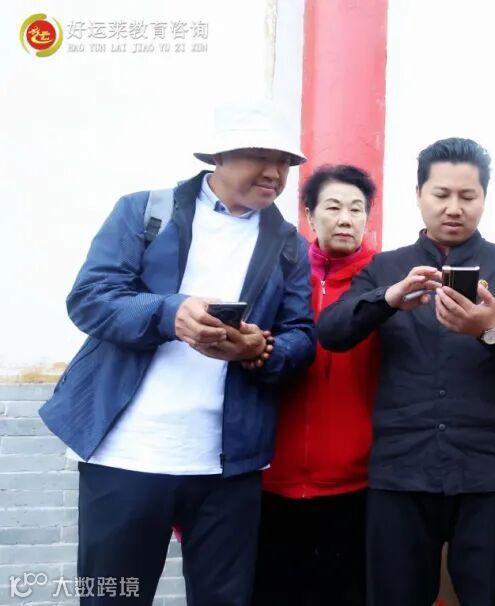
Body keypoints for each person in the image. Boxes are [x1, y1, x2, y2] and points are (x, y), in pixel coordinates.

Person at [39, 101, 315, 605]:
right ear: (219, 156)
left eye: (285, 162)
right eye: (260, 156)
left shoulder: (289, 244)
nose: (275, 173)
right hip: (125, 453)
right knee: (111, 596)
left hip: (228, 466)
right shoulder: (144, 211)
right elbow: (90, 299)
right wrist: (170, 314)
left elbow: (300, 336)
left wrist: (260, 348)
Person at [316, 137, 495, 606]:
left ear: (484, 199)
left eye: (467, 196)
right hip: (400, 472)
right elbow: (331, 332)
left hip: (487, 473)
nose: (454, 208)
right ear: (418, 195)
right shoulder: (386, 268)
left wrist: (491, 329)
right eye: (441, 194)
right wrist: (387, 300)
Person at [253, 165, 379, 605]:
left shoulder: (385, 286)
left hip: (357, 483)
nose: (345, 219)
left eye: (356, 209)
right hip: (270, 480)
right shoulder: (279, 278)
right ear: (308, 215)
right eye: (333, 207)